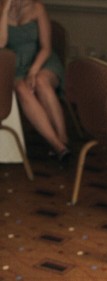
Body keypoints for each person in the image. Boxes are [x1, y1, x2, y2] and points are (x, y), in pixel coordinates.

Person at [0, 0, 69, 163]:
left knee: (41, 82)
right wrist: (5, 10)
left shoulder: (37, 8)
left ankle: (63, 137)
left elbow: (46, 47)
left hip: (41, 61)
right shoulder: (2, 8)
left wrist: (32, 72)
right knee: (23, 90)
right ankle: (59, 146)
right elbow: (1, 43)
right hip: (15, 67)